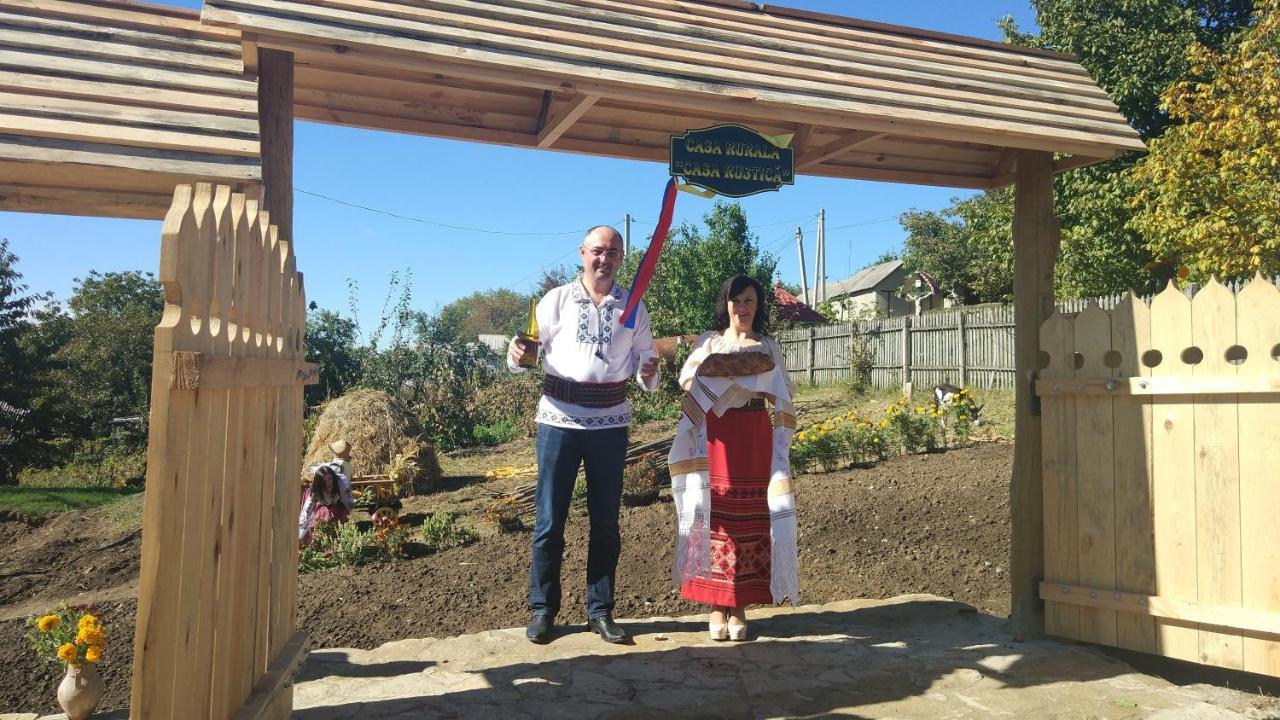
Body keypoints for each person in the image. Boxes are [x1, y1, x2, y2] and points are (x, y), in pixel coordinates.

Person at [507, 225, 661, 645]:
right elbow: (526, 352)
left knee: (606, 522)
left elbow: (646, 364)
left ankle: (600, 610)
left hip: (610, 424)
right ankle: (543, 610)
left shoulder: (633, 306)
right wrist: (519, 354)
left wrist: (650, 372)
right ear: (582, 253)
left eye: (612, 252)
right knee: (549, 520)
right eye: (597, 250)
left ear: (621, 257)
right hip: (557, 420)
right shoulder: (554, 300)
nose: (604, 259)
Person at [671, 274, 799, 641]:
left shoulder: (767, 346)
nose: (742, 308)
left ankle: (739, 603)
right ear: (725, 304)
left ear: (757, 307)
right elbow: (686, 379)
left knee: (750, 517)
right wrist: (715, 378)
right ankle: (716, 604)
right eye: (736, 300)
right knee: (715, 513)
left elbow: (784, 392)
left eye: (749, 302)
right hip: (716, 436)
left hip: (753, 436)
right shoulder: (710, 342)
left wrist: (758, 383)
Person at [298, 463, 354, 544]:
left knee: (338, 517)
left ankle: (339, 541)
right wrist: (300, 534)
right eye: (324, 480)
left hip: (337, 501)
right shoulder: (314, 490)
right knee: (320, 518)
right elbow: (306, 513)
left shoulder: (341, 483)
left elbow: (349, 502)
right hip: (322, 503)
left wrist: (347, 510)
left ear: (333, 478)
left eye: (329, 479)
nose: (328, 483)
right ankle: (318, 541)